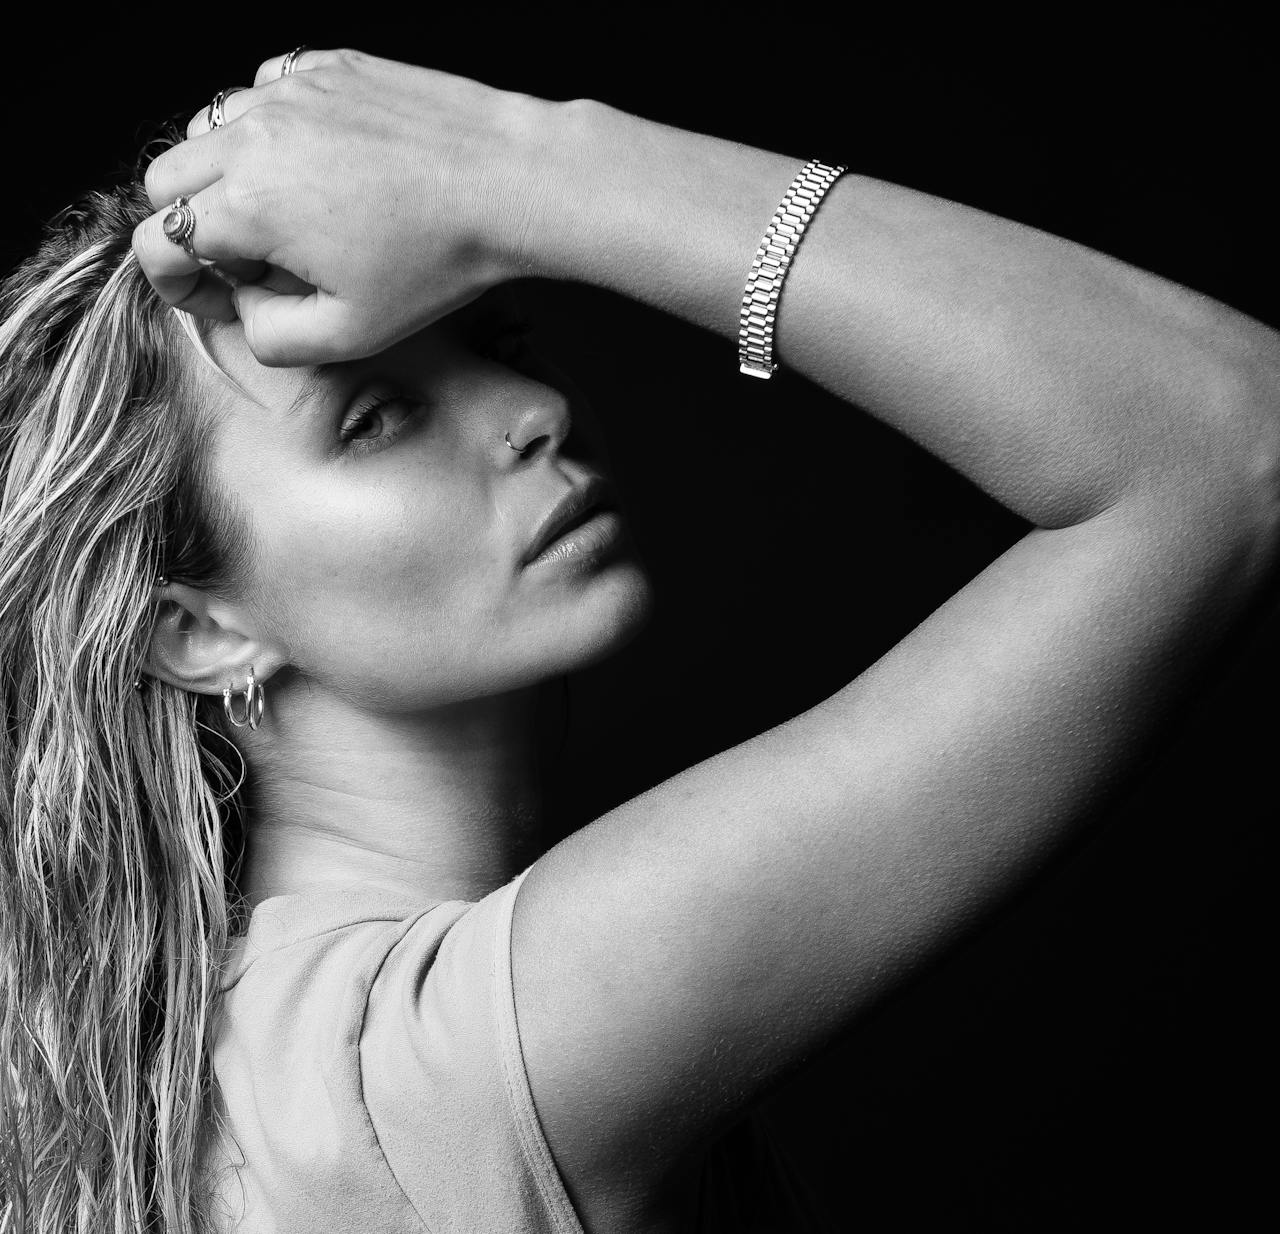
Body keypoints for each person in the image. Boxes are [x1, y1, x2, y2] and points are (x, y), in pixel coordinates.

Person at [2, 43, 1277, 1234]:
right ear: (198, 628)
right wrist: (521, 164)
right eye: (375, 416)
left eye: (494, 338)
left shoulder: (301, 1062)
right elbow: (1228, 442)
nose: (532, 410)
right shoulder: (419, 1069)